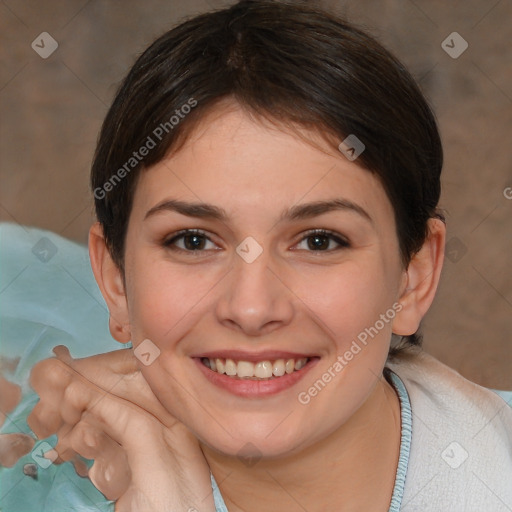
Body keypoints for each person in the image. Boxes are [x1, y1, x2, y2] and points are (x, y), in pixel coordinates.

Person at [26, 0, 512, 511]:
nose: (252, 309)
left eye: (319, 241)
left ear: (414, 277)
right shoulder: (24, 480)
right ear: (116, 280)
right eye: (193, 241)